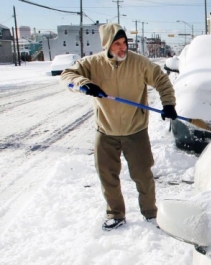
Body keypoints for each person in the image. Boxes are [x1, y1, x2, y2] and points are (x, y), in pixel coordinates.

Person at [61, 23, 177, 231]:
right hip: (105, 131)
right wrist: (83, 84)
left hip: (136, 130)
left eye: (124, 43)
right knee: (107, 175)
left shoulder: (139, 63)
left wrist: (168, 103)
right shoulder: (93, 63)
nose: (123, 47)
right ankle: (115, 214)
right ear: (106, 45)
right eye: (117, 44)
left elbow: (161, 80)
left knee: (143, 174)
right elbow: (67, 75)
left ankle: (150, 213)